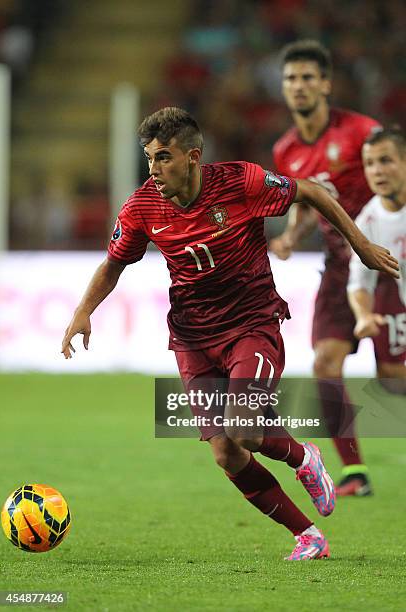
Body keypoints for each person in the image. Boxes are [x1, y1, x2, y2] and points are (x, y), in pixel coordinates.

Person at [61, 107, 398, 560]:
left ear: (193, 156)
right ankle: (308, 536)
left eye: (164, 158)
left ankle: (304, 458)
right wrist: (83, 312)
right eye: (149, 159)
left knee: (245, 430)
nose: (154, 170)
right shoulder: (142, 206)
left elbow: (311, 192)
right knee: (226, 452)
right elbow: (114, 263)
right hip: (192, 338)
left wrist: (362, 246)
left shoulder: (241, 182)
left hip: (250, 324)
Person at [270, 40, 381, 496]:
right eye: (292, 78)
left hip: (387, 259)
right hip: (338, 267)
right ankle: (355, 471)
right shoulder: (286, 151)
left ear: (326, 84)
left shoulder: (360, 132)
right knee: (324, 363)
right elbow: (302, 204)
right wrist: (292, 237)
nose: (299, 86)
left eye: (308, 78)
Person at [348, 127, 406, 400]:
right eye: (370, 163)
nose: (377, 171)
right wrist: (363, 316)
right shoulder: (367, 222)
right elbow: (360, 281)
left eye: (386, 160)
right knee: (391, 381)